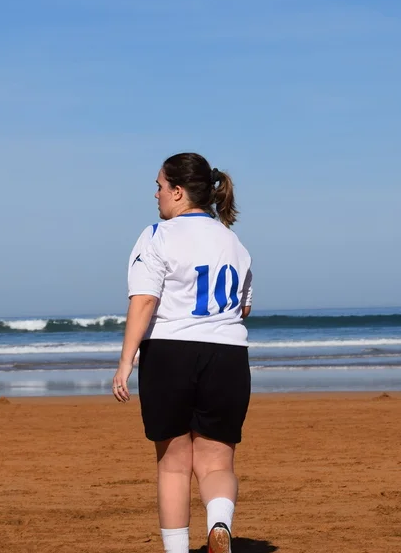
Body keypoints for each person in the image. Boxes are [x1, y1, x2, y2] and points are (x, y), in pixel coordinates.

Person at [113, 153, 253, 553]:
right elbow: (243, 308)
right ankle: (220, 522)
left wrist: (126, 361)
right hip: (228, 356)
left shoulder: (157, 235)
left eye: (159, 186)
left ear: (177, 191)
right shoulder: (234, 242)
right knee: (217, 463)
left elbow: (144, 301)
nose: (155, 194)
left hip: (169, 353)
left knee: (173, 464)